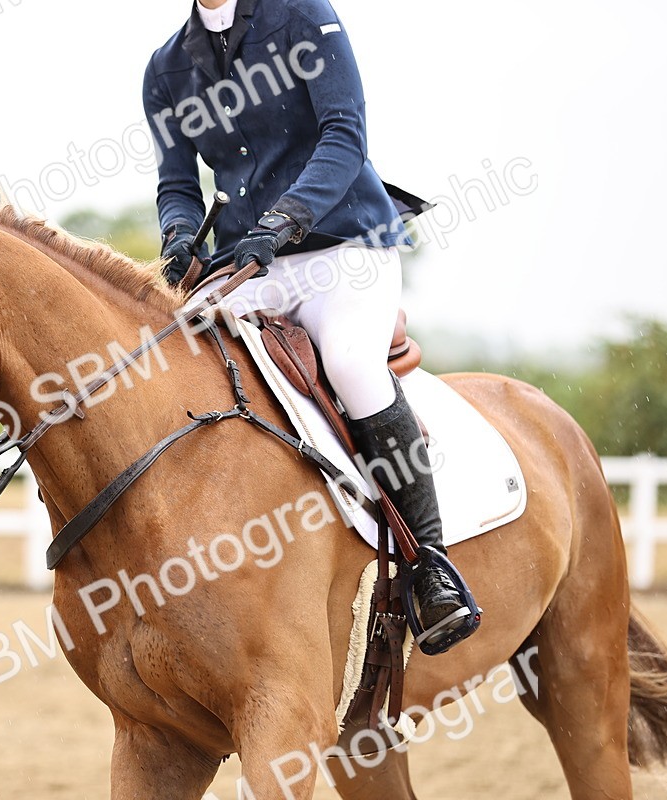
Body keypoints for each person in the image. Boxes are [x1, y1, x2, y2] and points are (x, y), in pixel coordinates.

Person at [143, 0, 477, 650]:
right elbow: (177, 180)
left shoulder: (302, 15)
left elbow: (344, 136)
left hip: (343, 247)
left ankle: (430, 566)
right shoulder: (165, 67)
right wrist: (180, 234)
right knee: (174, 366)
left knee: (352, 363)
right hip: (249, 263)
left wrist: (286, 216)